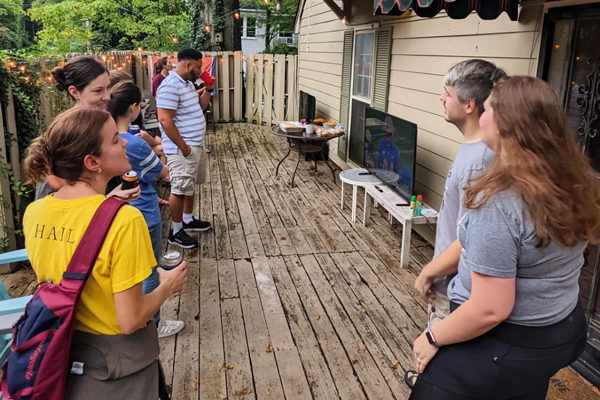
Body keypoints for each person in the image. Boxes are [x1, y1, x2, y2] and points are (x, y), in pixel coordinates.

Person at [409, 76, 600, 400]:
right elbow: (485, 244)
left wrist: (431, 337)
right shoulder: (572, 181)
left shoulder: (499, 202)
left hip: (503, 343)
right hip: (561, 330)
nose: (481, 113)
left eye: (488, 108)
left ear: (507, 126)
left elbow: (489, 309)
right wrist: (431, 269)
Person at [22, 107, 188, 398]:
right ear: (92, 162)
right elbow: (130, 319)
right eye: (114, 140)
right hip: (116, 368)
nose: (125, 142)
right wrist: (167, 287)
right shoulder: (125, 221)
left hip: (61, 353)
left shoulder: (35, 211)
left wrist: (107, 202)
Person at [411, 60, 504, 383]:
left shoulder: (480, 161)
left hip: (456, 288)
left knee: (440, 361)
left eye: (446, 93)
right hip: (449, 280)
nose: (441, 98)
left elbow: (470, 239)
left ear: (468, 105)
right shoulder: (475, 150)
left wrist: (429, 271)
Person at [107, 81, 185, 338]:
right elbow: (164, 174)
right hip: (145, 211)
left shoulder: (113, 140)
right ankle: (153, 323)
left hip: (121, 209)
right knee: (149, 267)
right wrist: (158, 149)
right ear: (132, 108)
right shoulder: (136, 144)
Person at [38, 57, 140, 203]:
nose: (107, 96)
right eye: (98, 91)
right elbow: (58, 193)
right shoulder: (70, 131)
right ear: (74, 92)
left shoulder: (101, 120)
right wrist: (109, 200)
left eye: (108, 88)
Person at [157, 48, 214, 249]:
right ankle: (176, 230)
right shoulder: (170, 86)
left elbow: (200, 107)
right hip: (181, 149)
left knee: (189, 186)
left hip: (194, 145)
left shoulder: (188, 84)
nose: (200, 71)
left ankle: (188, 219)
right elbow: (164, 119)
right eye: (198, 67)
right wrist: (184, 147)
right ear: (188, 65)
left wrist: (208, 88)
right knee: (179, 189)